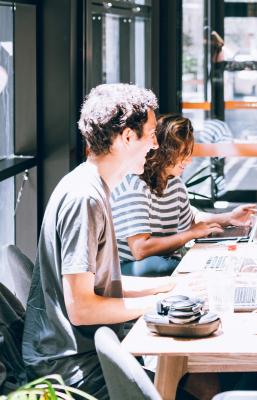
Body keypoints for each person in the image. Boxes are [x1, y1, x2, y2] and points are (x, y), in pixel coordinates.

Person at [21, 84, 174, 399]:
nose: (156, 145)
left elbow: (100, 285)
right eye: (151, 134)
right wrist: (161, 305)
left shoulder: (89, 186)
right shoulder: (85, 199)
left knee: (192, 374)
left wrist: (170, 288)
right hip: (74, 368)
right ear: (127, 138)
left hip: (84, 354)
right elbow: (83, 309)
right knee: (204, 382)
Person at [111, 114, 256, 277]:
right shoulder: (135, 185)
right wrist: (190, 234)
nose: (188, 160)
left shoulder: (174, 183)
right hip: (128, 267)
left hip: (162, 261)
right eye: (182, 153)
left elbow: (192, 219)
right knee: (162, 266)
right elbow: (140, 249)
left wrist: (229, 218)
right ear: (164, 152)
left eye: (189, 153)